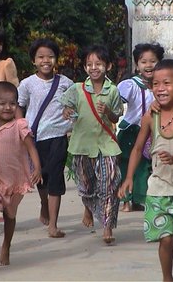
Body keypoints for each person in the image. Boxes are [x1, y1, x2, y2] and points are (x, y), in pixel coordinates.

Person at [118, 59, 173, 281]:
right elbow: (138, 148)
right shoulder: (151, 116)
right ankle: (167, 277)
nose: (160, 88)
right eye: (155, 84)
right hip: (159, 187)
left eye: (167, 83)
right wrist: (128, 177)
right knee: (166, 238)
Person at [60, 45, 124, 244]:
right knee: (86, 185)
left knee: (109, 185)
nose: (94, 67)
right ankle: (88, 207)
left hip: (106, 145)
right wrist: (67, 112)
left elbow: (116, 115)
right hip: (82, 146)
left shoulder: (112, 90)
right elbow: (65, 108)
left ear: (108, 66)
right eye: (90, 64)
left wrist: (107, 112)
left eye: (99, 64)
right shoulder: (77, 89)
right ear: (85, 67)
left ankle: (107, 226)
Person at [0, 82, 42, 266]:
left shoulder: (20, 126)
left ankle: (6, 246)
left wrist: (37, 168)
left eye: (12, 104)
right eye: (2, 104)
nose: (7, 108)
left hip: (15, 181)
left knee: (10, 215)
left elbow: (31, 148)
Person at [17, 38, 73, 238]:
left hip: (58, 136)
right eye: (41, 57)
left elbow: (75, 103)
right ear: (34, 60)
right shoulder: (27, 84)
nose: (46, 61)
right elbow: (19, 107)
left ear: (56, 59)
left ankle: (53, 226)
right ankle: (43, 204)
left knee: (55, 176)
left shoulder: (66, 83)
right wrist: (21, 129)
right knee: (41, 179)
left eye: (50, 56)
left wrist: (69, 109)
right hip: (34, 138)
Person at [117, 43, 164, 212]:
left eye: (153, 61)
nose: (149, 65)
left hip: (152, 131)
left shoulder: (161, 85)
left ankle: (139, 199)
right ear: (137, 65)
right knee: (126, 164)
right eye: (144, 61)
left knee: (144, 167)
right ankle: (126, 200)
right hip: (131, 130)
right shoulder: (131, 84)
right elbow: (117, 101)